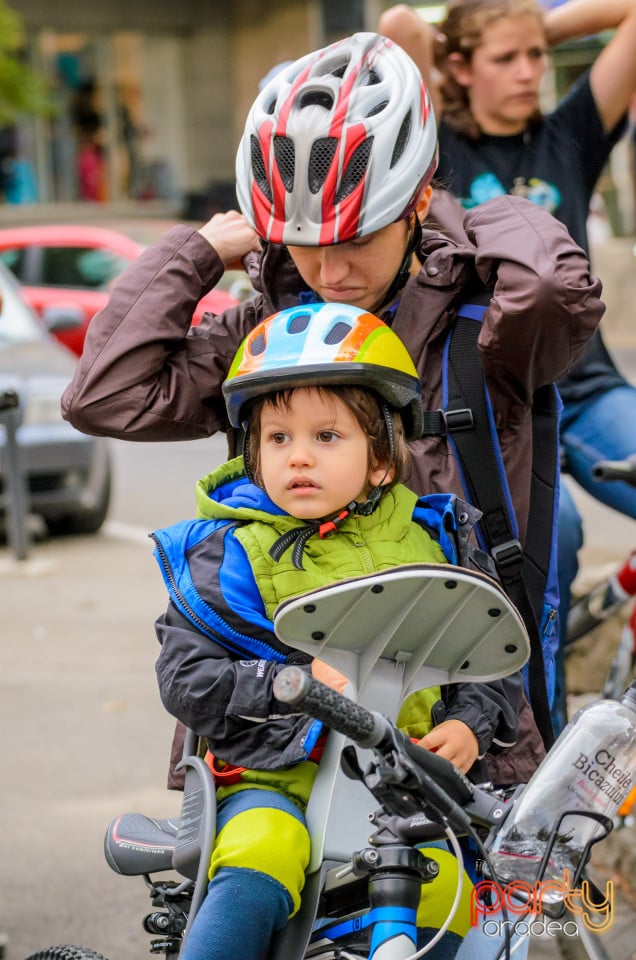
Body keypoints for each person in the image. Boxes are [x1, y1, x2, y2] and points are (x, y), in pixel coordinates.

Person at [61, 31, 602, 769]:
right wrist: (193, 254)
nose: (331, 268)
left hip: (469, 720)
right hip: (289, 721)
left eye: (359, 236)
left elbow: (551, 288)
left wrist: (466, 212)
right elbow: (105, 396)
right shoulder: (267, 330)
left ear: (413, 200)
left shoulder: (485, 327)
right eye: (307, 241)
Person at [152, 301, 522, 960]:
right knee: (261, 861)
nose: (299, 457)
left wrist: (469, 723)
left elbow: (489, 660)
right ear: (253, 450)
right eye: (278, 438)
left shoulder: (436, 541)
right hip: (271, 782)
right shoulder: (228, 555)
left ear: (382, 460)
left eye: (327, 437)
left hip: (399, 790)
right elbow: (185, 676)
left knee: (448, 899)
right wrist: (283, 683)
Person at [378, 0, 636, 733]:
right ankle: (537, 735)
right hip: (494, 401)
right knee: (548, 542)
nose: (528, 73)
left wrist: (526, 26)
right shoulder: (437, 141)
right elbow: (396, 27)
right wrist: (474, 34)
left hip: (583, 386)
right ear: (458, 68)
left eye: (535, 58)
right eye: (506, 60)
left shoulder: (568, 136)